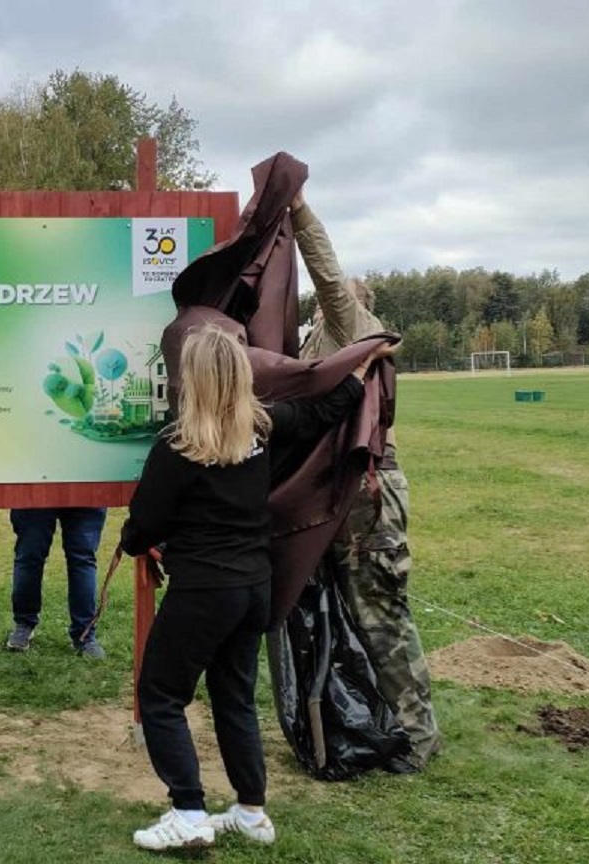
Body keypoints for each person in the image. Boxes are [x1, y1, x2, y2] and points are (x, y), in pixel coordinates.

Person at [122, 324, 395, 852]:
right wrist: (359, 367)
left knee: (160, 694)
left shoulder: (177, 448)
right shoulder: (264, 428)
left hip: (203, 591)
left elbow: (144, 525)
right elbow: (323, 410)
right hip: (254, 589)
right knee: (234, 698)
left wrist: (138, 543)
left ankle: (188, 811)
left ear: (191, 382)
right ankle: (250, 812)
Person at [293, 190, 441, 768]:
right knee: (354, 613)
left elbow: (329, 275)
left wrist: (299, 212)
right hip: (345, 492)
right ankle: (376, 726)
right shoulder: (323, 341)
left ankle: (418, 738)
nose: (321, 307)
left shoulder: (351, 322)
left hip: (369, 494)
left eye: (332, 303)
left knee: (381, 614)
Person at [4, 508, 107, 658]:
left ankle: (84, 634)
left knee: (82, 559)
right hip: (36, 489)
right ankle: (24, 625)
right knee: (29, 555)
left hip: (84, 491)